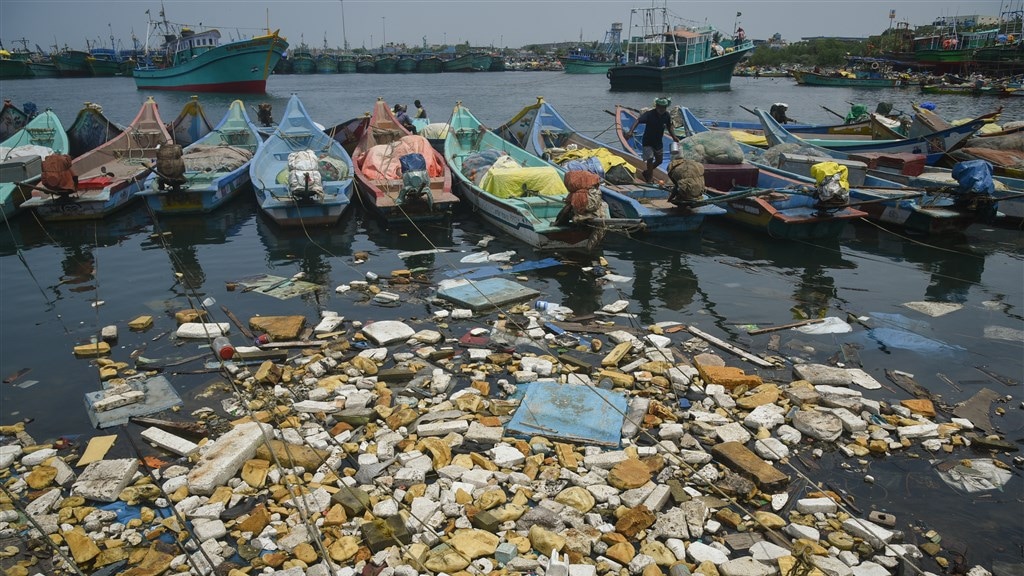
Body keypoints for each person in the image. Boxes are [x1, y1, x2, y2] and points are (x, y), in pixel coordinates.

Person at [624, 97, 679, 184]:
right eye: (660, 107)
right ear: (656, 106)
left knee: (659, 160)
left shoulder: (666, 115)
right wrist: (630, 131)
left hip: (658, 142)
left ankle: (647, 172)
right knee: (650, 159)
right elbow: (638, 120)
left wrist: (674, 137)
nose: (662, 109)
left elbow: (669, 126)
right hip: (648, 141)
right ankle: (649, 179)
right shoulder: (650, 114)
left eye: (664, 107)